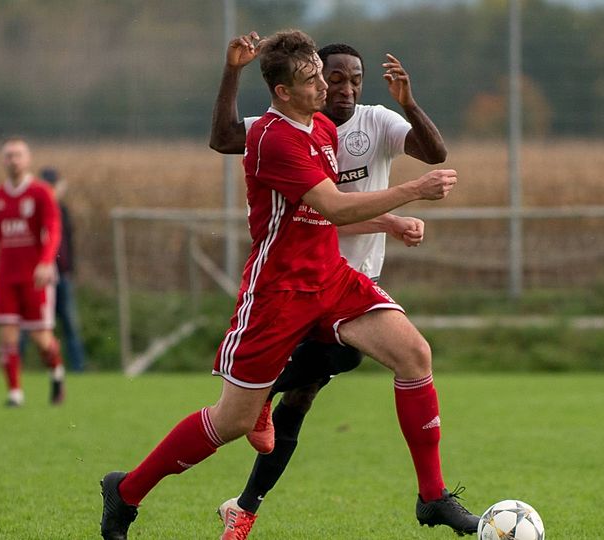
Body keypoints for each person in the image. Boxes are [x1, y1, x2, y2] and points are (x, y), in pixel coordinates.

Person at [99, 29, 476, 539]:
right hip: (279, 292)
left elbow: (321, 218)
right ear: (282, 91)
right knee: (230, 422)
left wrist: (386, 222)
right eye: (313, 79)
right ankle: (126, 491)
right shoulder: (274, 139)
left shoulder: (320, 126)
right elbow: (332, 206)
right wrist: (413, 191)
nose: (325, 86)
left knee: (414, 355)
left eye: (323, 74)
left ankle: (432, 496)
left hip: (331, 278)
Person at [208, 32, 462, 539]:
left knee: (309, 391)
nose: (344, 88)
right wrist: (233, 71)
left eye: (355, 80)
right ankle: (248, 475)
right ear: (314, 80)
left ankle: (244, 500)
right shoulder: (287, 129)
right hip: (303, 281)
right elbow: (226, 138)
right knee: (326, 373)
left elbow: (434, 152)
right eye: (334, 78)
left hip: (352, 280)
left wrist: (409, 103)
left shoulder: (375, 121)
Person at [0, 137, 66, 406]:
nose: (13, 160)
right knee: (7, 334)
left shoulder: (41, 193)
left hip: (35, 277)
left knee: (40, 338)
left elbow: (53, 230)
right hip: (6, 276)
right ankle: (15, 393)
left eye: (18, 155)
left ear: (28, 160)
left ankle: (57, 372)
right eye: (9, 155)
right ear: (3, 160)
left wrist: (46, 262)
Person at [38, 167, 87, 372]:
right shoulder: (37, 211)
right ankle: (19, 366)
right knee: (33, 326)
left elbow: (66, 244)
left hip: (63, 276)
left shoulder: (62, 211)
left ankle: (78, 368)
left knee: (70, 324)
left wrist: (69, 270)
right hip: (40, 277)